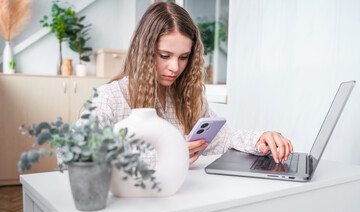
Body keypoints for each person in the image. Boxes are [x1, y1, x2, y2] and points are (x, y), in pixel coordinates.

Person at [86, 2, 293, 165]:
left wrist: (260, 139)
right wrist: (165, 155)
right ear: (143, 52)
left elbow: (223, 138)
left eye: (183, 57)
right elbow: (77, 159)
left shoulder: (186, 95)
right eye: (165, 55)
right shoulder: (111, 97)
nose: (175, 67)